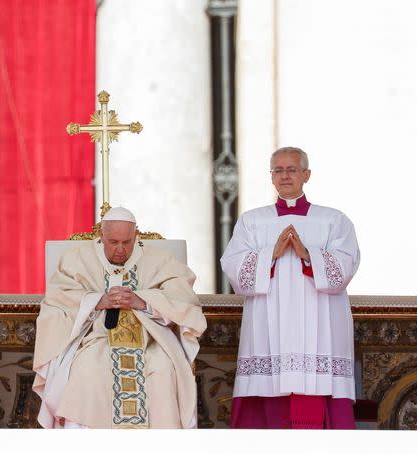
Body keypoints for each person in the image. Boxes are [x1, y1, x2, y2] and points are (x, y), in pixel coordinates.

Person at [220, 146, 361, 429]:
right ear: (271, 176)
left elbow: (345, 267)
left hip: (320, 321)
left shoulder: (333, 219)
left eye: (292, 169)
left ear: (306, 175)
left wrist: (308, 254)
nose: (285, 176)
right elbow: (234, 267)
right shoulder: (253, 221)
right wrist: (270, 254)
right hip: (268, 320)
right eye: (278, 170)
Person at [32, 207, 206, 429]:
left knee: (163, 370)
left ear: (136, 236)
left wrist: (141, 301)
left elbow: (184, 299)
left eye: (127, 242)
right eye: (113, 242)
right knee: (86, 369)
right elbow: (58, 300)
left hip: (151, 342)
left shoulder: (160, 260)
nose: (121, 250)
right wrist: (97, 301)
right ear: (101, 236)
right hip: (97, 340)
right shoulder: (77, 259)